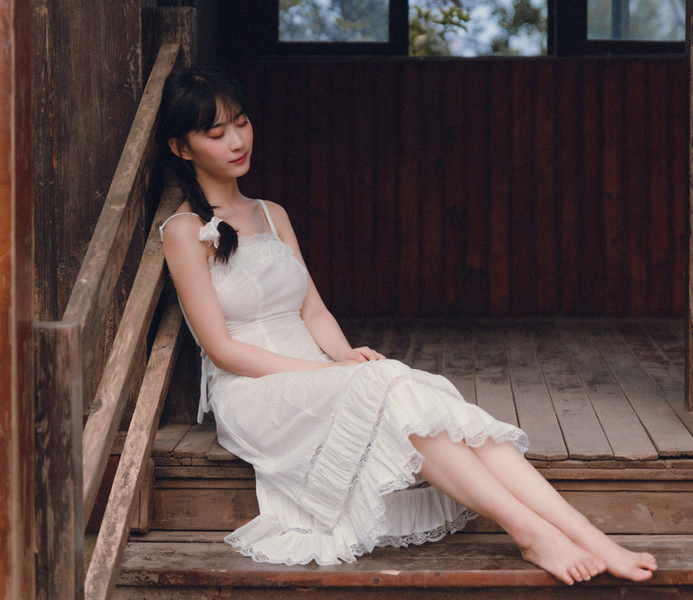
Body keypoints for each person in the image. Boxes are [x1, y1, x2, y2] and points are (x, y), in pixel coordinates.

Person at [157, 67, 657, 586]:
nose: (237, 141)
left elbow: (313, 311)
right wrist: (329, 373)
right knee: (391, 385)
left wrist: (343, 356)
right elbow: (222, 350)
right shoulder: (184, 230)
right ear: (182, 147)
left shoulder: (271, 212)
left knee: (415, 395)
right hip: (254, 392)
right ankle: (531, 532)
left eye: (241, 123)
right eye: (216, 133)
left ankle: (588, 535)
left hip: (317, 374)